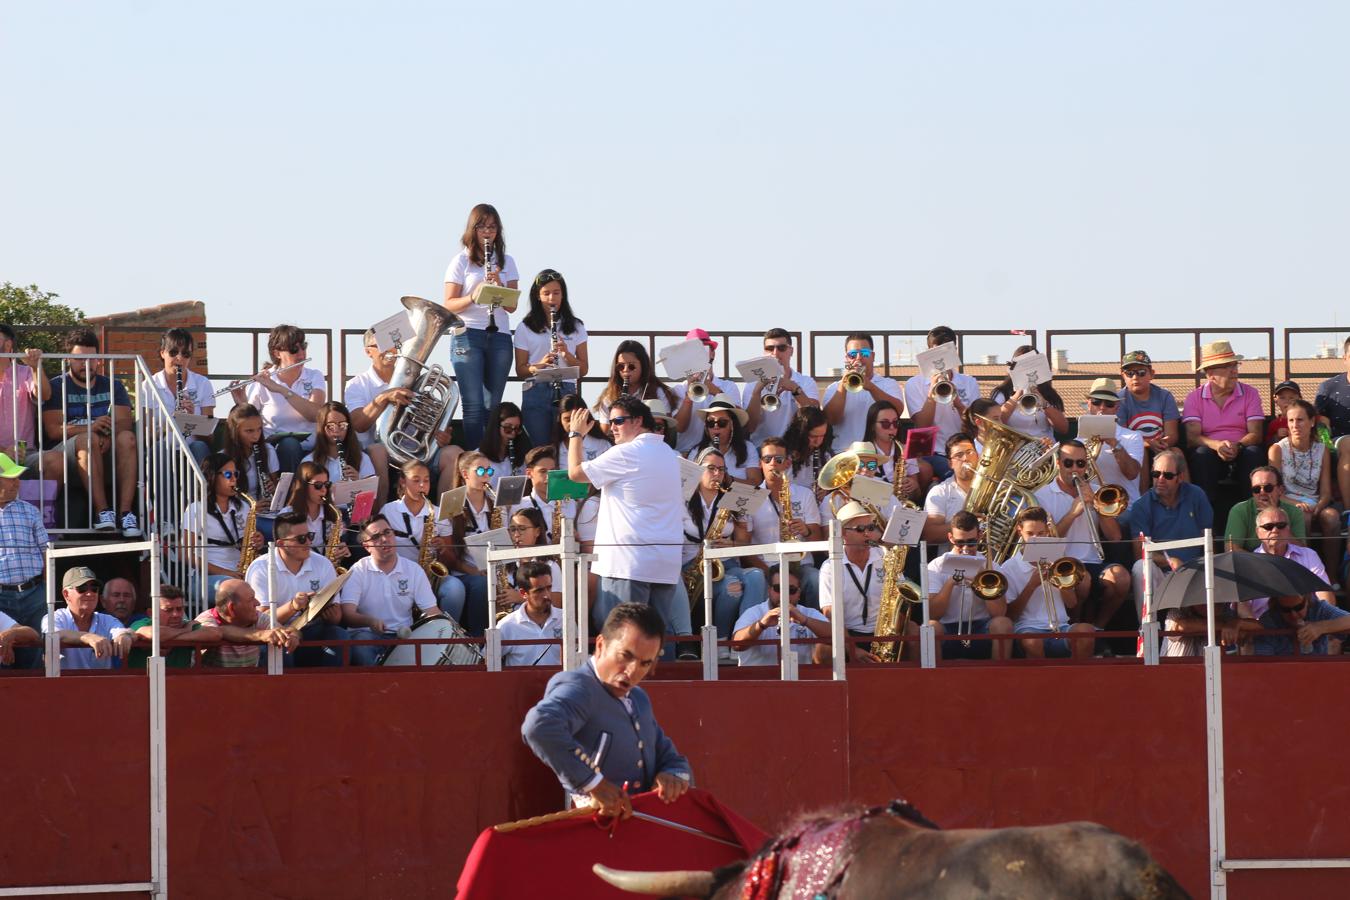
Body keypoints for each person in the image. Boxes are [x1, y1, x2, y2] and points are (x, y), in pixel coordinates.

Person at [521, 602, 692, 818]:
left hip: (640, 829)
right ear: (601, 645)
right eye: (626, 656)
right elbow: (538, 726)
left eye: (645, 663)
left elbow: (668, 755)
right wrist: (592, 783)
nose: (632, 671)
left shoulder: (638, 698)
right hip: (597, 827)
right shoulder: (580, 687)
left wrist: (672, 775)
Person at [565, 398, 683, 633]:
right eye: (610, 422)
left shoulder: (627, 452)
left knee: (622, 639)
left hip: (628, 564)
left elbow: (575, 473)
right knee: (653, 641)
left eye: (618, 421)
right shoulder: (668, 453)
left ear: (639, 421)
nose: (612, 428)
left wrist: (575, 435)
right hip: (664, 564)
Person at [42, 329, 140, 536]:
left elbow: (124, 424)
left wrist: (107, 437)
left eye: (92, 358)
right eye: (80, 359)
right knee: (87, 439)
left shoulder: (114, 386)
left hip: (105, 449)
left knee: (128, 438)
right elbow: (53, 431)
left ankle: (126, 514)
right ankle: (103, 512)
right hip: (68, 455)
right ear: (69, 358)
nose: (87, 364)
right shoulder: (57, 385)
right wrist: (90, 428)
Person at [442, 203, 521, 449]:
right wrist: (474, 296)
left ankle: (491, 456)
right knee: (474, 404)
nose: (488, 232)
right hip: (467, 335)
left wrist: (499, 285)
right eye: (482, 226)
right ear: (472, 229)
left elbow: (512, 306)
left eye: (493, 227)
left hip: (498, 336)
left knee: (493, 405)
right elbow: (449, 304)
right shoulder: (461, 261)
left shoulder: (506, 261)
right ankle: (476, 459)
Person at [1033, 440, 1131, 630]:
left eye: (1080, 463)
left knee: (1121, 578)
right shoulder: (1042, 495)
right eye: (1068, 463)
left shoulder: (1096, 492)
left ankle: (1097, 629)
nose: (1075, 469)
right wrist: (1072, 513)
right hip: (1059, 564)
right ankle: (1075, 626)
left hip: (1093, 562)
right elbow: (1043, 544)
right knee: (1082, 579)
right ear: (1058, 463)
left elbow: (1115, 537)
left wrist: (1098, 507)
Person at [678, 448, 765, 642]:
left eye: (722, 469)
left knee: (757, 577)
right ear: (698, 470)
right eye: (711, 468)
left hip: (726, 564)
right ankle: (721, 640)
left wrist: (731, 543)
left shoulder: (735, 498)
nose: (717, 474)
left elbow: (744, 543)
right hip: (692, 566)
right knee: (732, 587)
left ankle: (745, 637)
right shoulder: (681, 499)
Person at [1119, 448, 1213, 623]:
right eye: (1156, 474)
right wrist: (1170, 561)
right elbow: (1139, 552)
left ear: (1180, 477)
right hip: (1161, 574)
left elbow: (1207, 538)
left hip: (1195, 571)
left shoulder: (1197, 495)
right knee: (1140, 567)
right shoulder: (1141, 506)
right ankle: (1148, 630)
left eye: (1168, 476)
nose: (1160, 480)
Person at [243, 510, 347, 667]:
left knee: (339, 635)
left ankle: (333, 688)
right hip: (277, 632)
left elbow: (336, 617)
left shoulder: (323, 563)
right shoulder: (261, 567)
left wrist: (329, 612)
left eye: (310, 536)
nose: (308, 543)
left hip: (312, 629)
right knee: (281, 645)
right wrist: (293, 606)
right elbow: (260, 619)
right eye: (301, 539)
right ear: (281, 544)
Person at [1182, 340, 1265, 525]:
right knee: (1202, 455)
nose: (1234, 370)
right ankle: (1207, 520)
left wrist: (1238, 445)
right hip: (1211, 451)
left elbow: (1256, 433)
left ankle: (1254, 514)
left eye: (1234, 364)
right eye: (1227, 366)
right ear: (1211, 374)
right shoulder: (1194, 398)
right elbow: (1192, 436)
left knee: (1254, 453)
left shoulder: (1250, 393)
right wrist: (1217, 445)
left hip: (1242, 448)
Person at [339, 515, 441, 666]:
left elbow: (432, 611)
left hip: (403, 637)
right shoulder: (358, 570)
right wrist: (370, 621)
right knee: (361, 644)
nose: (384, 539)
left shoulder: (413, 570)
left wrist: (445, 630)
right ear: (367, 546)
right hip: (367, 635)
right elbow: (347, 614)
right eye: (376, 537)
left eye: (387, 532)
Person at [998, 508, 1095, 659]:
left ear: (1048, 531)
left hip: (1061, 627)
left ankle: (1078, 680)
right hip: (1027, 629)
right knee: (1033, 642)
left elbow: (1072, 603)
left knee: (1086, 632)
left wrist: (1057, 581)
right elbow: (1010, 615)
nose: (1036, 538)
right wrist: (1031, 585)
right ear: (1019, 531)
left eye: (1041, 533)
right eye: (1030, 534)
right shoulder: (1009, 567)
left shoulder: (1058, 561)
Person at [230, 324, 326, 474]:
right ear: (277, 353)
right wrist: (242, 403)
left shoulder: (314, 376)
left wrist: (280, 389)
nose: (301, 353)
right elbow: (250, 421)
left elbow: (315, 415)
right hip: (274, 448)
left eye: (303, 347)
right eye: (294, 349)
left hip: (311, 447)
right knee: (289, 445)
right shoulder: (262, 381)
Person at [381, 459, 464, 621]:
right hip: (399, 574)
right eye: (416, 480)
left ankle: (449, 632)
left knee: (455, 588)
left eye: (426, 481)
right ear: (403, 482)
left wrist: (443, 549)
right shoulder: (388, 511)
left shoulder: (438, 513)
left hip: (429, 575)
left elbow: (451, 560)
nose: (422, 486)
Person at [744, 438, 824, 607]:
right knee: (757, 580)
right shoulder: (750, 497)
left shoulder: (805, 494)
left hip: (800, 566)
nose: (773, 463)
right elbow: (745, 547)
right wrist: (768, 572)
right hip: (766, 566)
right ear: (761, 464)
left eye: (779, 460)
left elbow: (817, 540)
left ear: (787, 463)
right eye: (767, 459)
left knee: (816, 580)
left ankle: (820, 629)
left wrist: (806, 530)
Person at [514, 269, 588, 448]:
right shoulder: (525, 327)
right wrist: (538, 366)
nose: (551, 298)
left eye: (556, 293)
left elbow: (584, 369)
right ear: (538, 296)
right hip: (536, 390)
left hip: (567, 390)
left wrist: (566, 355)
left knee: (567, 446)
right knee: (540, 448)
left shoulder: (576, 326)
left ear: (563, 295)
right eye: (546, 293)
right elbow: (520, 370)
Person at [1268, 398, 1340, 581]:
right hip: (1288, 500)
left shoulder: (1321, 449)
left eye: (1300, 420)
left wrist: (1319, 505)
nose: (1295, 425)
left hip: (1315, 500)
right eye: (1291, 420)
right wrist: (1297, 504)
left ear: (1312, 422)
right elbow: (1274, 491)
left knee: (1332, 518)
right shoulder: (1277, 449)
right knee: (1303, 517)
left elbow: (1325, 492)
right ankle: (1305, 577)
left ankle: (1331, 577)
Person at [927, 510, 1014, 661]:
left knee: (1002, 623)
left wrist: (981, 581)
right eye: (960, 543)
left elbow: (999, 613)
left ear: (979, 536)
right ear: (950, 538)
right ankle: (935, 680)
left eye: (971, 542)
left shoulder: (990, 566)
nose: (966, 548)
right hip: (948, 628)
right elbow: (933, 614)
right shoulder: (936, 566)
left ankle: (1000, 677)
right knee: (931, 627)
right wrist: (951, 583)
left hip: (981, 627)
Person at [903, 326, 981, 480]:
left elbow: (975, 424)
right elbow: (922, 425)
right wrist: (932, 391)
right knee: (956, 475)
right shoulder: (914, 383)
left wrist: (958, 403)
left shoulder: (969, 382)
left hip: (963, 449)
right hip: (932, 452)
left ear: (954, 351)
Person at [182, 452, 263, 597]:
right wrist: (226, 573)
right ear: (212, 476)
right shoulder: (196, 509)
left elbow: (249, 546)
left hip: (240, 574)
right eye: (227, 475)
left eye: (235, 474)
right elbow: (186, 554)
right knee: (236, 589)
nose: (233, 479)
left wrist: (258, 542)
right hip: (205, 578)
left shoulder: (244, 507)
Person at [817, 500, 885, 663]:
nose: (867, 534)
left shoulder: (884, 556)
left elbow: (899, 598)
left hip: (883, 631)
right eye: (860, 529)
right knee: (822, 650)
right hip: (848, 633)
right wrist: (851, 648)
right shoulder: (830, 566)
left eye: (870, 528)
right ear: (842, 533)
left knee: (913, 630)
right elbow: (830, 613)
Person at [1242, 506, 1336, 622]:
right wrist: (1257, 631)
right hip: (1263, 630)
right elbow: (1243, 609)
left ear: (1289, 529)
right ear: (1258, 532)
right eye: (1268, 527)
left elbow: (1325, 595)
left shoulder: (1308, 555)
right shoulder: (1247, 564)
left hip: (1307, 626)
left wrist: (1322, 627)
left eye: (1281, 526)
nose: (1275, 530)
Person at [138, 327, 214, 465]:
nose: (179, 358)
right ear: (162, 353)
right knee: (159, 449)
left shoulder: (203, 384)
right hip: (161, 449)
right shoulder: (148, 386)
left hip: (192, 449)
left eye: (185, 354)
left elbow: (209, 438)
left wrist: (193, 421)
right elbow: (144, 439)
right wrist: (170, 424)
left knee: (200, 447)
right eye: (173, 353)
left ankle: (200, 487)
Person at [0, 451, 48, 667]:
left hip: (35, 595)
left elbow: (47, 552)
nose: (17, 483)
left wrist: (46, 590)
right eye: (11, 478)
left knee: (36, 653)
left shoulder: (30, 511)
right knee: (3, 658)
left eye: (17, 478)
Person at [732, 564, 830, 667]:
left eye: (791, 590)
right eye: (778, 588)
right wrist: (761, 625)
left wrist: (805, 620)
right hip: (758, 680)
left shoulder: (809, 613)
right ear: (769, 590)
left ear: (799, 593)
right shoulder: (754, 612)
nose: (784, 595)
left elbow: (836, 638)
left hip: (797, 680)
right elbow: (737, 645)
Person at [823, 332, 905, 449]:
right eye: (853, 354)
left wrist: (871, 387)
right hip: (844, 453)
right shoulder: (834, 388)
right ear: (846, 358)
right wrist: (843, 385)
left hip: (878, 453)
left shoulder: (888, 384)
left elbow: (897, 411)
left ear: (873, 356)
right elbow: (832, 419)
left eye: (864, 353)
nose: (858, 358)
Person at [42, 567, 134, 670]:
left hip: (101, 685)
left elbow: (121, 631)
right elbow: (52, 634)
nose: (90, 593)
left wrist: (125, 635)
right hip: (64, 685)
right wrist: (87, 637)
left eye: (94, 589)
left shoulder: (107, 620)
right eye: (82, 588)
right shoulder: (55, 618)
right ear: (66, 594)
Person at [193, 579, 299, 668]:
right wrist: (261, 635)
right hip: (211, 687)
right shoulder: (206, 620)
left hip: (248, 685)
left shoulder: (256, 617)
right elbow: (217, 632)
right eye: (251, 600)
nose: (257, 603)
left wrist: (292, 634)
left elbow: (283, 631)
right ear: (232, 608)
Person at [668, 328, 740, 456]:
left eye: (702, 350)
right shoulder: (678, 390)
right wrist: (689, 396)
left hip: (720, 453)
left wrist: (716, 392)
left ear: (712, 354)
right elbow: (680, 428)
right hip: (686, 452)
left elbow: (738, 420)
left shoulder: (728, 386)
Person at [743, 328, 820, 442]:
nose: (775, 353)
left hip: (795, 448)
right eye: (769, 348)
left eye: (781, 348)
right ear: (764, 353)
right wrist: (756, 393)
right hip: (763, 448)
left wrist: (795, 389)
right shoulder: (752, 384)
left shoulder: (805, 382)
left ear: (791, 351)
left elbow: (815, 418)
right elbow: (749, 427)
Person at [1079, 378, 1146, 503]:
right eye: (1096, 402)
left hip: (1126, 507)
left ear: (1116, 408)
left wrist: (1114, 443)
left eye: (1109, 403)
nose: (1102, 408)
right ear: (1089, 404)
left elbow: (1132, 473)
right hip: (1092, 505)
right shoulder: (1079, 441)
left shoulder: (1133, 437)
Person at [591, 340, 679, 435]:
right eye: (621, 366)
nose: (626, 370)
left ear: (643, 366)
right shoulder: (609, 396)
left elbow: (665, 427)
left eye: (631, 366)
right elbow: (605, 432)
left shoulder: (657, 391)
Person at [127, 584, 224, 668]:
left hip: (179, 685)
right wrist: (186, 630)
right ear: (151, 613)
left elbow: (215, 633)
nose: (176, 615)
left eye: (179, 609)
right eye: (168, 610)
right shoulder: (141, 623)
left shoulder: (186, 624)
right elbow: (155, 634)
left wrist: (169, 638)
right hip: (141, 686)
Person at [990, 345, 1070, 441]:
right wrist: (1017, 395)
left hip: (1044, 447)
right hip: (1013, 447)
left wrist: (1045, 404)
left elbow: (1063, 429)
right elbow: (994, 424)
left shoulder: (1049, 394)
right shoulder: (1002, 393)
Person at [0, 325, 51, 463]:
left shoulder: (25, 372)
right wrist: (3, 451)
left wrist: (35, 367)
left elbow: (44, 395)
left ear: (8, 344)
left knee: (56, 462)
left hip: (24, 454)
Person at [282, 461, 349, 567]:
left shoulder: (334, 514)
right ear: (303, 486)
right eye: (318, 485)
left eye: (327, 484)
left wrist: (341, 551)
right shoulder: (287, 515)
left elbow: (337, 545)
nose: (324, 490)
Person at [1225, 466, 1307, 552]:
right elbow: (1231, 549)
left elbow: (1303, 551)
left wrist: (1277, 517)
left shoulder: (1295, 512)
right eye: (1256, 489)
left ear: (1280, 490)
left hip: (1287, 562)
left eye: (1268, 488)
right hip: (1251, 563)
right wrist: (1262, 563)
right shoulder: (1240, 511)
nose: (1262, 492)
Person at [499, 561, 564, 667]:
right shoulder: (507, 625)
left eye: (549, 588)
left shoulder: (566, 619)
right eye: (539, 591)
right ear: (523, 593)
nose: (547, 595)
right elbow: (487, 663)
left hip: (558, 683)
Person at [861, 399, 926, 502]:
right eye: (885, 423)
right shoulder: (862, 452)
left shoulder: (905, 449)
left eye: (895, 423)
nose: (892, 428)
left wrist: (913, 485)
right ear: (872, 426)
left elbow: (917, 494)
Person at [1115, 351, 1180, 452]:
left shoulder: (1165, 396)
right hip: (1131, 451)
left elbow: (1172, 435)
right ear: (1123, 376)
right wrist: (1147, 444)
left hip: (1162, 448)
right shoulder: (1118, 400)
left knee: (1174, 455)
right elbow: (1122, 437)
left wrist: (1161, 444)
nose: (1135, 377)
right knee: (1142, 453)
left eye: (1141, 372)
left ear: (1152, 374)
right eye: (1130, 373)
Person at [301, 401, 376, 488]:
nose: (336, 430)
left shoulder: (363, 458)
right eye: (331, 425)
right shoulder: (309, 461)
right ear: (322, 428)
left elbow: (371, 497)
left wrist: (358, 483)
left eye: (342, 425)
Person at [1314, 337, 1350, 518]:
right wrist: (1325, 440)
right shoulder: (1328, 387)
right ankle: (1349, 511)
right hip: (1338, 442)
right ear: (1345, 358)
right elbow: (1320, 421)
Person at [921, 433, 979, 545]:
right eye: (959, 455)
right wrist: (968, 524)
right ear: (950, 463)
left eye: (969, 452)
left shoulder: (994, 488)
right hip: (954, 560)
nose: (966, 458)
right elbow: (929, 534)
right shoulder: (940, 492)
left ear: (978, 456)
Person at [689, 399, 761, 486]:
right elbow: (690, 483)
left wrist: (729, 480)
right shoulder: (697, 452)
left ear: (732, 425)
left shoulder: (748, 448)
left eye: (722, 422)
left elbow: (756, 483)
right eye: (711, 422)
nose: (716, 427)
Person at [1252, 593, 1350, 656]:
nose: (1294, 615)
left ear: (1307, 600)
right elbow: (1264, 663)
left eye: (1298, 607)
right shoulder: (1269, 620)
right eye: (1286, 610)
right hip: (1282, 678)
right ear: (1277, 607)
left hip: (1318, 674)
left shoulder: (1319, 609)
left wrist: (1321, 627)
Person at [223, 404, 282, 509]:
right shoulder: (223, 459)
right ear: (235, 432)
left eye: (259, 429)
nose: (256, 436)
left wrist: (273, 489)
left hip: (264, 510)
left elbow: (277, 491)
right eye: (249, 431)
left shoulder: (268, 451)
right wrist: (250, 508)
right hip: (238, 515)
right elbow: (223, 500)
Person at [512, 445, 573, 545]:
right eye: (543, 471)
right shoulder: (519, 506)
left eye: (552, 471)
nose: (549, 477)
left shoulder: (570, 502)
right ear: (529, 473)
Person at [783, 407, 835, 494]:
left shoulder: (825, 455)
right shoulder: (782, 454)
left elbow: (830, 485)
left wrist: (826, 491)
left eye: (822, 436)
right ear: (800, 433)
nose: (818, 442)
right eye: (813, 436)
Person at [479, 401, 531, 488]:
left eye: (517, 429)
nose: (513, 433)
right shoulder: (478, 457)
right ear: (496, 426)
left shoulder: (521, 457)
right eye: (508, 428)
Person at [556, 394, 610, 470]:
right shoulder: (556, 447)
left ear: (586, 417)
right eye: (567, 420)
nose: (572, 423)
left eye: (577, 418)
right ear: (560, 420)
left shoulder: (602, 445)